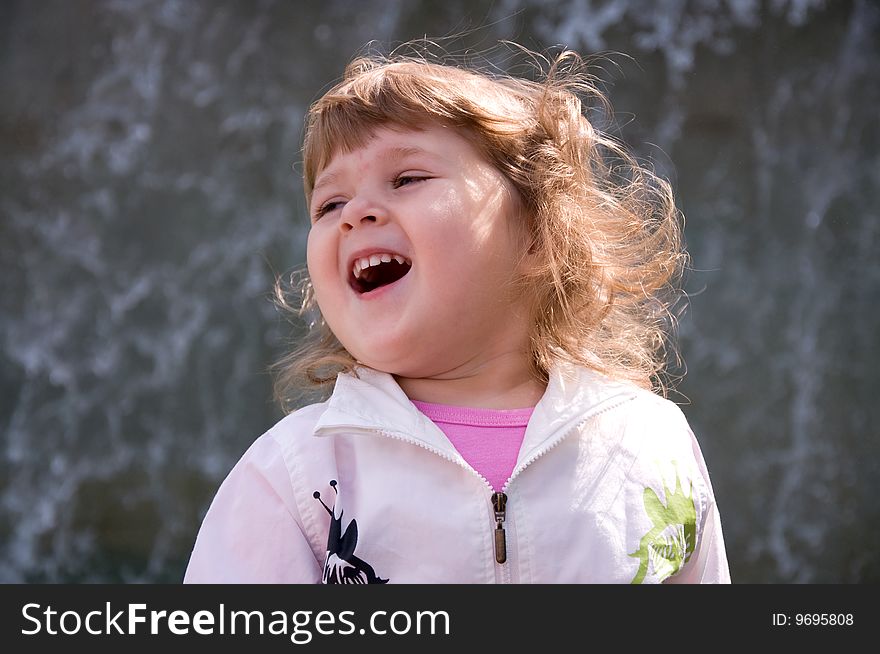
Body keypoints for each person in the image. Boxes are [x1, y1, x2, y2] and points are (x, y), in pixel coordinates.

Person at [184, 45, 730, 584]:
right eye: (328, 205)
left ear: (540, 235)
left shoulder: (648, 440)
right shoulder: (295, 474)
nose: (355, 214)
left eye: (407, 179)